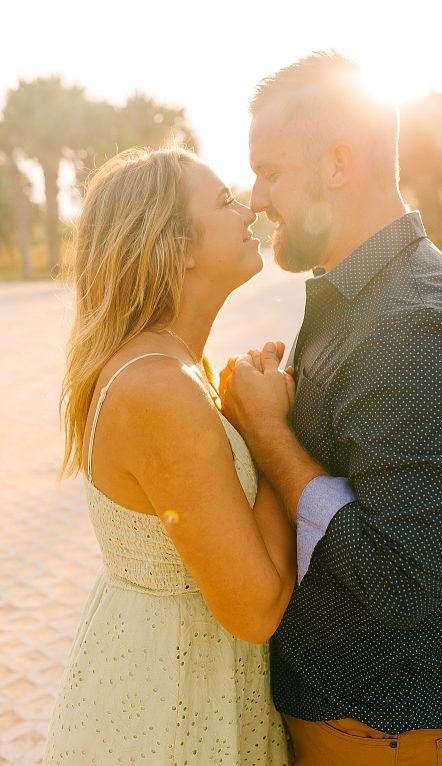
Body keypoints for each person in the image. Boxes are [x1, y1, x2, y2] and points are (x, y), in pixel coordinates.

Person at [219, 51, 442, 765]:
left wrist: (268, 435)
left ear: (338, 164)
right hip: (354, 715)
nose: (255, 199)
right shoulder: (363, 294)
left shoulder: (416, 328)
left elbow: (398, 581)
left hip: (384, 724)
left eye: (271, 172)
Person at [46, 146, 293, 764]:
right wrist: (270, 433)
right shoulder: (159, 386)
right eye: (224, 202)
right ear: (177, 245)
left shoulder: (171, 366)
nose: (249, 211)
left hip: (172, 675)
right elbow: (257, 608)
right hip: (166, 706)